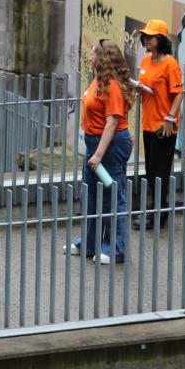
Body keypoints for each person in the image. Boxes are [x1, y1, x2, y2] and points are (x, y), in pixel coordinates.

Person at [68, 39, 134, 264]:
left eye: (94, 53)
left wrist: (97, 155)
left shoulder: (112, 86)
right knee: (92, 195)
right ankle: (89, 243)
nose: (91, 56)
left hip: (110, 145)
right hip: (95, 143)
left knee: (112, 196)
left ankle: (115, 249)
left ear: (103, 59)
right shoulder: (99, 80)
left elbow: (112, 123)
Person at [134, 20, 184, 230]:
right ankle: (156, 211)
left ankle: (158, 214)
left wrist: (170, 119)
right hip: (148, 123)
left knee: (159, 171)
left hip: (164, 126)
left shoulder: (170, 64)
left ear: (161, 40)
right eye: (145, 36)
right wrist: (139, 88)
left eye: (151, 37)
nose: (146, 39)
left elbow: (179, 93)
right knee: (150, 170)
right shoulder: (146, 61)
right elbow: (145, 86)